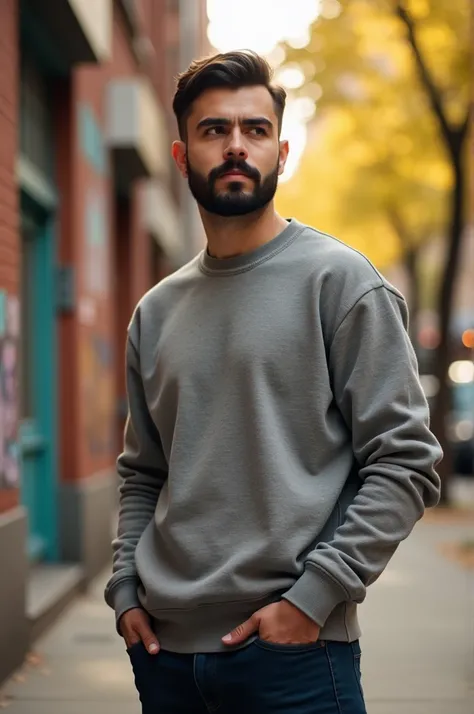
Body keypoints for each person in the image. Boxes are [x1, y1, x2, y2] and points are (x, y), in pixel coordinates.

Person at [104, 50, 442, 714]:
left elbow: (406, 461)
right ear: (181, 156)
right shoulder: (156, 312)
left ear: (280, 152)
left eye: (255, 130)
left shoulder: (341, 284)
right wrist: (124, 592)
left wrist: (313, 598)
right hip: (164, 659)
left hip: (296, 658)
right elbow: (144, 471)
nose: (236, 146)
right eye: (214, 130)